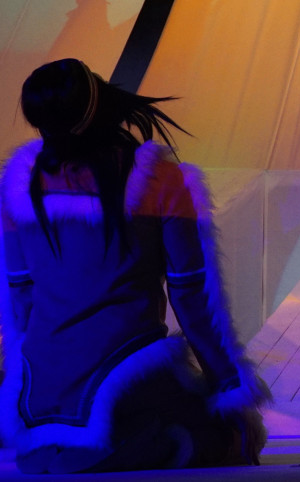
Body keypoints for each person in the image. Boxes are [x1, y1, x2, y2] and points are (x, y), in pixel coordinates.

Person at [0, 58, 268, 473]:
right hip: (127, 373)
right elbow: (192, 301)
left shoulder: (18, 186)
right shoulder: (162, 180)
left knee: (51, 453)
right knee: (233, 438)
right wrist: (230, 388)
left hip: (41, 394)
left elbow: (21, 299)